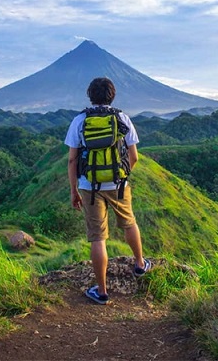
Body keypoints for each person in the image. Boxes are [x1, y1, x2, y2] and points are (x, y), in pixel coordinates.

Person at [65, 77, 152, 305]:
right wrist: (121, 175)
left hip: (89, 185)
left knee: (98, 237)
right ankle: (140, 265)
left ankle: (102, 292)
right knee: (129, 222)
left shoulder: (80, 120)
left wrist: (74, 190)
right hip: (119, 183)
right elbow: (134, 156)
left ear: (90, 95)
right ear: (112, 95)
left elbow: (73, 160)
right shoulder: (122, 118)